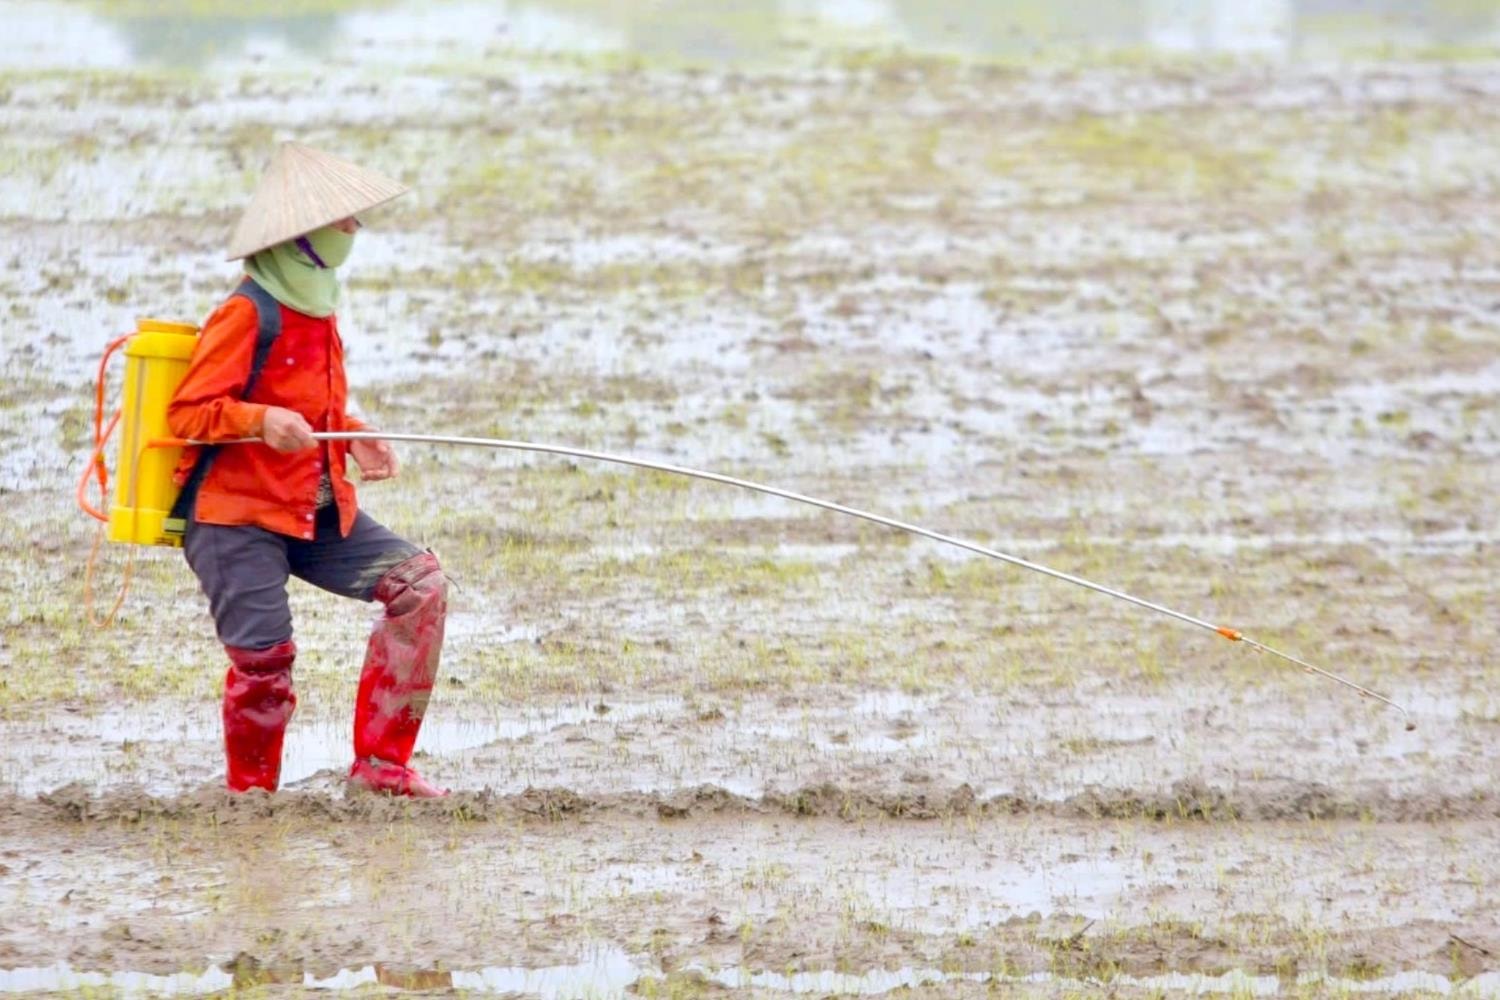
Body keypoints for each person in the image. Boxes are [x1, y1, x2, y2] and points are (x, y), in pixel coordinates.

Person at [167, 141, 447, 798]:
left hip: (313, 510)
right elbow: (189, 412)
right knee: (265, 665)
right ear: (306, 236)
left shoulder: (318, 304)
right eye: (344, 221)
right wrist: (259, 421)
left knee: (421, 588)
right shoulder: (246, 310)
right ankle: (250, 800)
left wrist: (351, 432)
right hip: (235, 519)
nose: (355, 230)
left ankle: (383, 770)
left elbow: (311, 401)